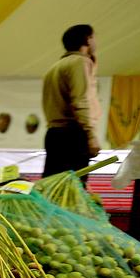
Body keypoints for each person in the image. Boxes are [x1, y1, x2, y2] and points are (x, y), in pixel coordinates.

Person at [41, 24, 102, 177]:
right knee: (72, 190)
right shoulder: (80, 62)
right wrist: (90, 134)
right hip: (73, 135)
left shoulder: (55, 67)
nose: (95, 42)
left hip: (54, 134)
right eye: (94, 37)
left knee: (53, 186)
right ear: (88, 40)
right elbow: (81, 100)